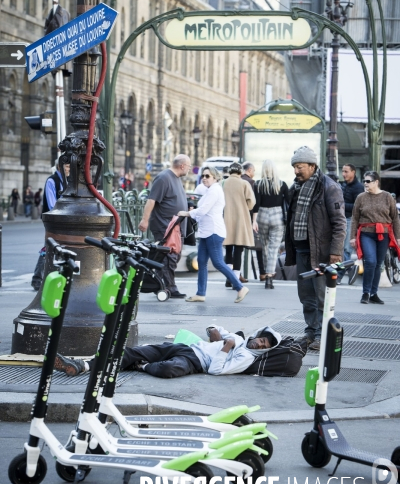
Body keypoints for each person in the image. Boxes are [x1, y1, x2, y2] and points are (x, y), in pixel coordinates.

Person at [285, 146, 346, 351]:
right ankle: (311, 332)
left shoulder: (329, 187)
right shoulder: (295, 187)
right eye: (294, 166)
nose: (296, 171)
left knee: (322, 296)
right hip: (301, 249)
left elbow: (340, 222)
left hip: (321, 252)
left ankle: (323, 335)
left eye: (300, 166)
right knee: (306, 296)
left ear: (312, 166)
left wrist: (336, 252)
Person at [54, 325, 282, 378]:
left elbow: (215, 371)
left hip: (195, 363)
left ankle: (142, 366)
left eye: (263, 346)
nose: (259, 344)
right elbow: (216, 330)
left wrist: (225, 347)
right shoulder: (240, 339)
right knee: (133, 351)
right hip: (186, 347)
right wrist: (216, 332)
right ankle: (82, 365)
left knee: (169, 369)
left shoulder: (245, 358)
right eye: (261, 339)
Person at [177, 166, 249, 304]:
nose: (204, 178)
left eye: (207, 176)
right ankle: (200, 293)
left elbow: (204, 210)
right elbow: (203, 211)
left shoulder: (215, 190)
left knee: (217, 262)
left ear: (215, 178)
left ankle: (240, 287)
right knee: (202, 262)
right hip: (206, 232)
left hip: (214, 231)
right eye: (203, 176)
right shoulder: (210, 191)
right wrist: (194, 211)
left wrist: (187, 213)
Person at [138, 154, 191, 299]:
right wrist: (144, 220)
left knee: (173, 256)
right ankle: (169, 287)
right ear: (182, 166)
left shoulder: (176, 179)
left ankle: (160, 285)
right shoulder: (164, 178)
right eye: (189, 166)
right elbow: (151, 200)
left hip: (174, 226)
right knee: (169, 256)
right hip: (165, 225)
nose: (189, 169)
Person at [350, 170, 400, 305]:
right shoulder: (361, 197)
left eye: (368, 181)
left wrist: (398, 237)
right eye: (364, 181)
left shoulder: (387, 196)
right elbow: (355, 218)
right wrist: (352, 237)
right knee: (370, 261)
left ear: (376, 182)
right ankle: (365, 293)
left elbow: (395, 218)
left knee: (378, 264)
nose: (365, 183)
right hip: (366, 233)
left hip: (383, 234)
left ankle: (373, 293)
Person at [31, 160, 70, 291]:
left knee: (61, 247)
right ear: (60, 166)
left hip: (64, 220)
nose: (69, 169)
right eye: (67, 166)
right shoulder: (52, 181)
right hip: (53, 220)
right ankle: (37, 278)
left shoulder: (69, 182)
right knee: (49, 247)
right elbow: (52, 203)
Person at [253, 160, 289, 289]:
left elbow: (256, 204)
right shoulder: (282, 184)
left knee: (265, 246)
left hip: (262, 215)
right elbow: (289, 202)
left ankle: (266, 272)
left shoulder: (258, 184)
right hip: (277, 215)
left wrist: (254, 221)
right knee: (274, 247)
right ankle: (269, 276)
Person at [222, 162, 256, 286]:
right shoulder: (244, 183)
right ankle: (235, 278)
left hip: (226, 219)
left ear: (230, 172)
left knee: (229, 249)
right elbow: (251, 202)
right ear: (240, 172)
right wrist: (243, 207)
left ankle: (228, 277)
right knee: (238, 249)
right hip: (241, 219)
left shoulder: (223, 183)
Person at [338, 163, 364, 285]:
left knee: (345, 250)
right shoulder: (343, 185)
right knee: (341, 249)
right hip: (342, 219)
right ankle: (350, 268)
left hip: (350, 220)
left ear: (353, 172)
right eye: (343, 171)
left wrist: (341, 205)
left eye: (346, 171)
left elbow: (358, 207)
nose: (343, 174)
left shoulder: (358, 187)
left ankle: (339, 275)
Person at [241, 162, 266, 282]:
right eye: (254, 171)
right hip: (249, 218)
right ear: (250, 170)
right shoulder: (251, 183)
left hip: (239, 218)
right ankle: (262, 273)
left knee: (237, 248)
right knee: (259, 246)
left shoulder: (238, 181)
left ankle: (235, 274)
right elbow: (254, 203)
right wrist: (254, 220)